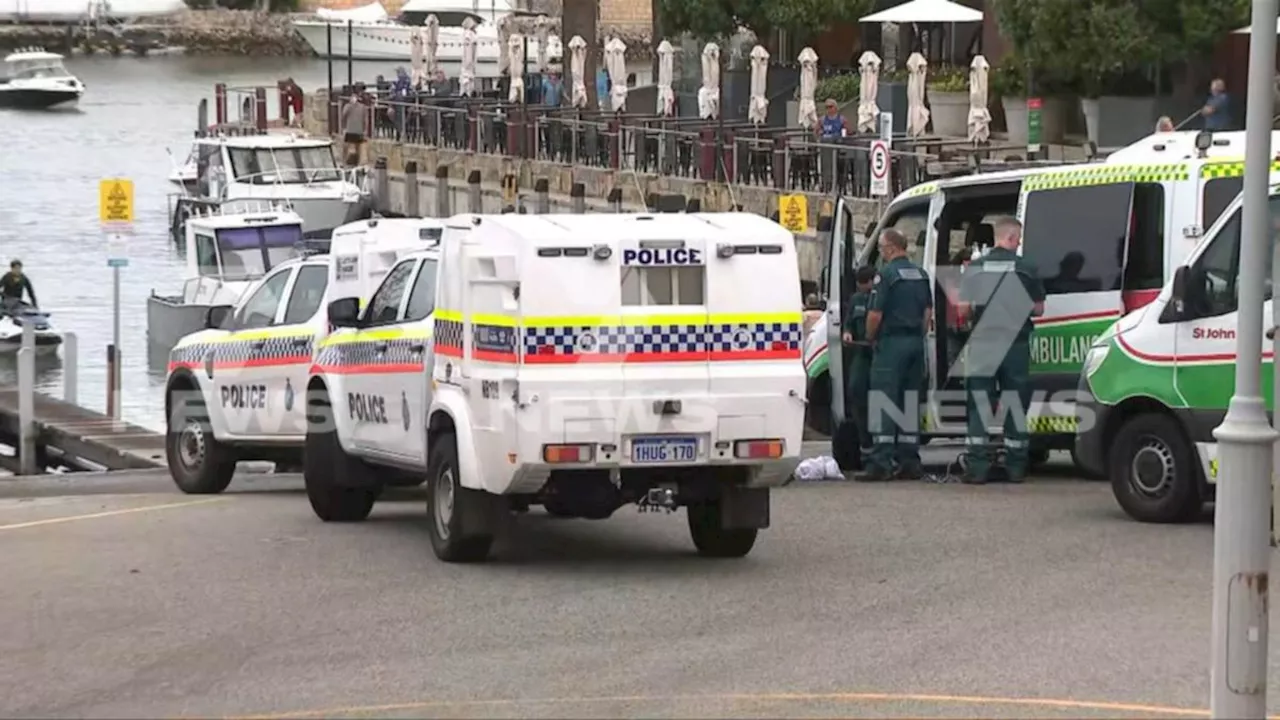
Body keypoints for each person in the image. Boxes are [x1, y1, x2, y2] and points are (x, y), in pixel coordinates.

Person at [956, 216, 1045, 484]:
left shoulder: (976, 267)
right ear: (1012, 237)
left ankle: (977, 469)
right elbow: (1039, 309)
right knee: (1016, 403)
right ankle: (1016, 468)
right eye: (1018, 239)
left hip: (984, 341)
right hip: (1015, 342)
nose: (1018, 243)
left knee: (979, 402)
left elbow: (962, 309)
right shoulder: (1026, 268)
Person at [858, 229, 932, 482]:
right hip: (915, 344)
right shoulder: (921, 275)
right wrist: (916, 337)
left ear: (890, 248)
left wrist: (870, 338)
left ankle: (881, 462)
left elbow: (875, 315)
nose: (880, 253)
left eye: (880, 248)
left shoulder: (887, 275)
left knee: (884, 401)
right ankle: (909, 460)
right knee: (910, 400)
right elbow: (927, 315)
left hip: (892, 344)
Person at [841, 265, 880, 465]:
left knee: (881, 397)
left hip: (879, 354)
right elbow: (848, 322)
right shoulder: (856, 299)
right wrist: (847, 332)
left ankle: (882, 447)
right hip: (860, 353)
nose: (865, 288)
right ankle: (866, 445)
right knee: (856, 392)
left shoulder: (882, 296)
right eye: (861, 284)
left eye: (867, 283)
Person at [341, 83, 369, 167]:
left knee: (357, 147)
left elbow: (365, 118)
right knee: (346, 146)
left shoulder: (363, 103)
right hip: (350, 128)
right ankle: (344, 162)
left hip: (358, 129)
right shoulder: (349, 104)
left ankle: (356, 163)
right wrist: (351, 104)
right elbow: (344, 114)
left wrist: (365, 130)